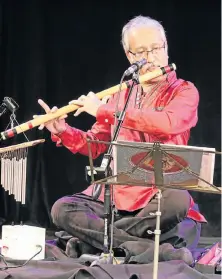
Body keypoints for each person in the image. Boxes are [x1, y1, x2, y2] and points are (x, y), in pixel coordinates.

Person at [37, 15, 206, 263]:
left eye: (156, 48)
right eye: (141, 52)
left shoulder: (184, 91)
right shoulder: (122, 94)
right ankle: (156, 252)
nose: (150, 57)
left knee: (178, 201)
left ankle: (95, 242)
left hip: (159, 196)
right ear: (130, 56)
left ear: (166, 47)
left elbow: (168, 123)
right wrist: (63, 130)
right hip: (118, 196)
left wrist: (104, 110)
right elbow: (96, 146)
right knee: (62, 209)